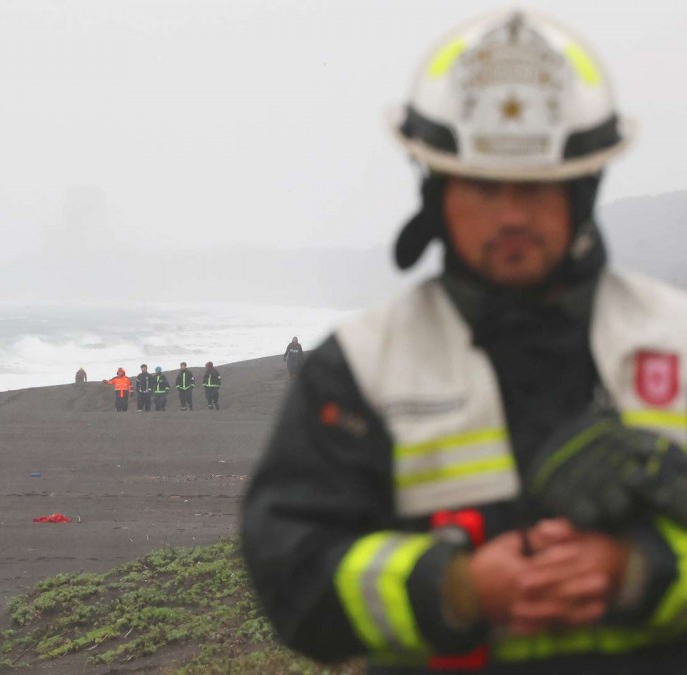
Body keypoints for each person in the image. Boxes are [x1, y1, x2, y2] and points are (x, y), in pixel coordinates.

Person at [242, 10, 687, 674]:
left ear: (584, 189)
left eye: (537, 188)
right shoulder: (365, 365)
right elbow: (290, 568)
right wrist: (453, 586)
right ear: (437, 190)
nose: (511, 214)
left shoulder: (675, 339)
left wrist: (638, 567)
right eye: (482, 186)